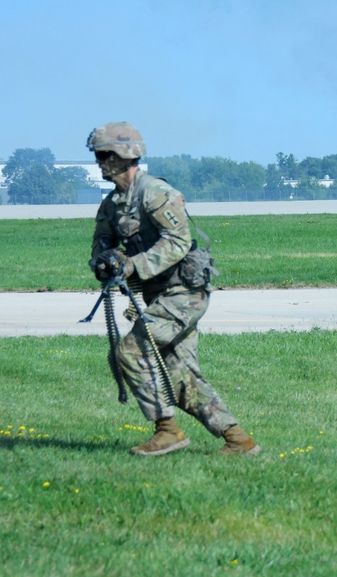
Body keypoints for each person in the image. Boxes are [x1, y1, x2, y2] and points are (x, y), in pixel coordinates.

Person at [86, 122, 260, 457]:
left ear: (126, 155)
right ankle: (239, 440)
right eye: (98, 155)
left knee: (131, 351)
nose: (100, 162)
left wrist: (134, 264)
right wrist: (105, 262)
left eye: (106, 154)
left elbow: (178, 242)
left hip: (185, 293)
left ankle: (168, 431)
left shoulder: (155, 193)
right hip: (159, 294)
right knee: (180, 377)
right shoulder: (113, 204)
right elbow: (100, 244)